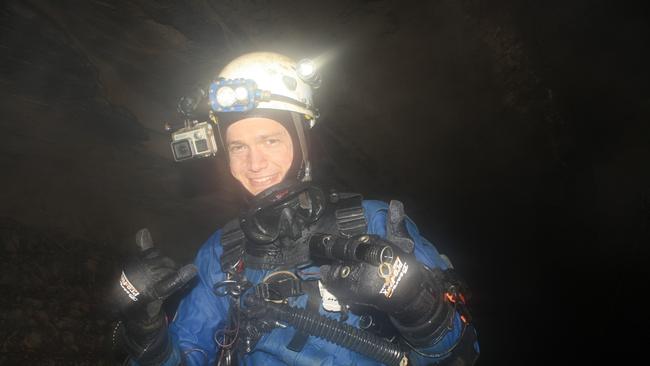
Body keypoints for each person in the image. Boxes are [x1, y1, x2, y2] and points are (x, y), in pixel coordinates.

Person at [111, 52, 480, 366]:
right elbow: (186, 354)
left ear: (303, 143)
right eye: (238, 147)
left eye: (270, 140)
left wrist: (416, 306)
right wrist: (146, 332)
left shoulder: (372, 222)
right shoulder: (223, 251)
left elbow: (464, 354)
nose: (254, 163)